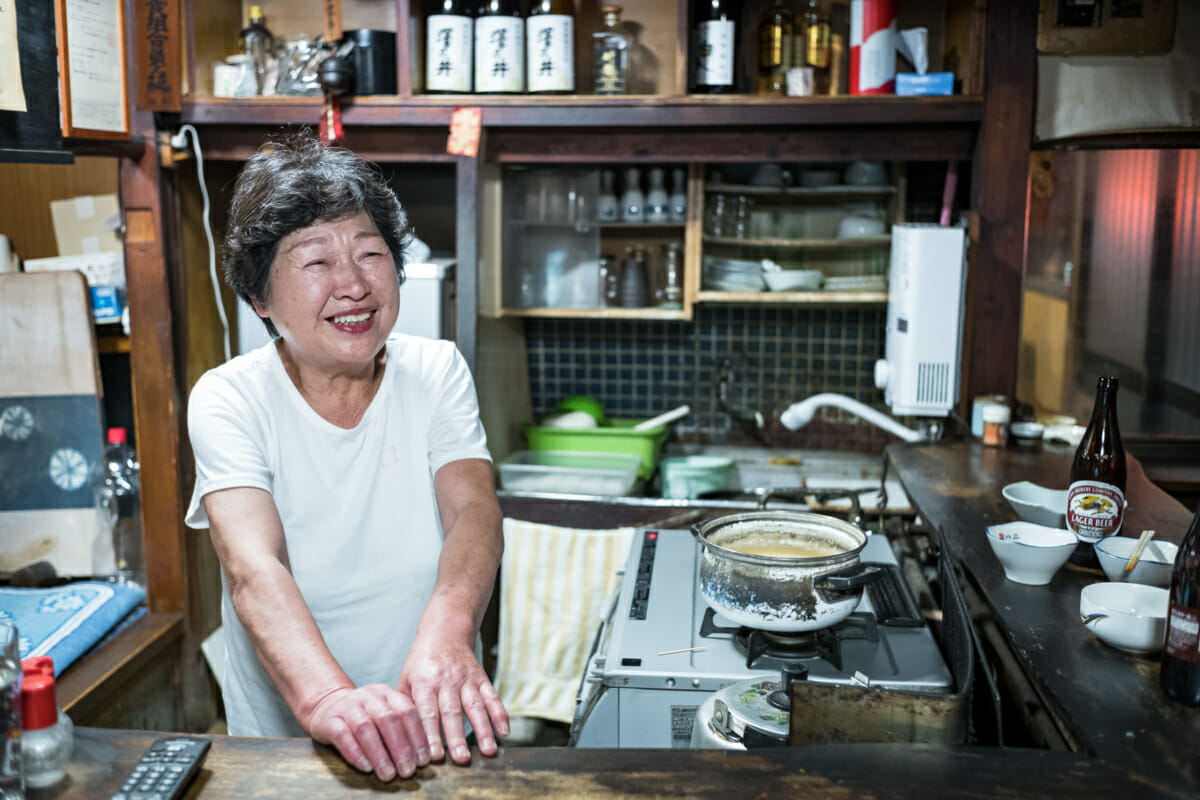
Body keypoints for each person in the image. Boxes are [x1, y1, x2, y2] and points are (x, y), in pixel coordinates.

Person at [185, 134, 509, 781]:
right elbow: (253, 566)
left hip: (435, 715)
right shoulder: (228, 397)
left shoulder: (436, 368)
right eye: (316, 263)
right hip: (292, 739)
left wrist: (448, 636)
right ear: (260, 298)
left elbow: (473, 510)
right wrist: (330, 698)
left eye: (370, 254)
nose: (354, 285)